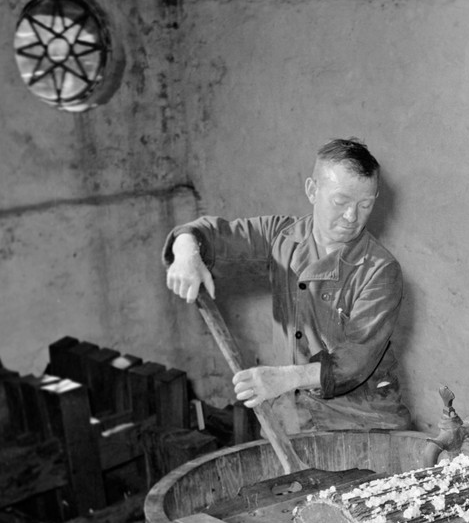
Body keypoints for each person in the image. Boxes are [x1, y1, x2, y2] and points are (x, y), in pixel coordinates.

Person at [162, 137, 411, 431]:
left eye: (365, 204)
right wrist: (187, 253)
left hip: (363, 421)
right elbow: (213, 234)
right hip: (293, 416)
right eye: (340, 201)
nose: (351, 216)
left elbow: (352, 363)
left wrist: (283, 378)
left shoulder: (380, 270)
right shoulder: (282, 236)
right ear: (312, 190)